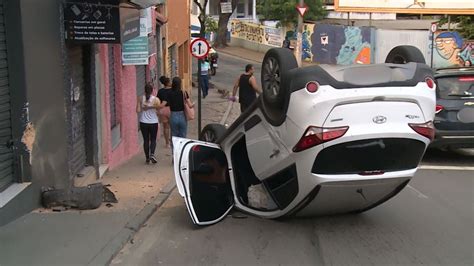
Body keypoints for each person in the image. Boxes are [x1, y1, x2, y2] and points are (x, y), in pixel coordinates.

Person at [136, 83, 165, 164]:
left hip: (143, 122)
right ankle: (152, 154)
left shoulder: (140, 98)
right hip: (153, 122)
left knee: (145, 140)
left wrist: (143, 107)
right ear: (152, 91)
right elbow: (159, 112)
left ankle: (147, 158)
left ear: (144, 90)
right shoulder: (156, 100)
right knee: (153, 139)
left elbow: (137, 111)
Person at [167, 77, 194, 143]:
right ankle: (182, 152)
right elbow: (190, 105)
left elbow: (167, 104)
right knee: (183, 137)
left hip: (173, 115)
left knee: (174, 137)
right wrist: (193, 104)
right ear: (180, 84)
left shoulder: (169, 93)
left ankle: (175, 153)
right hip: (182, 116)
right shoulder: (183, 93)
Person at [157, 76, 172, 148]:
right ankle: (173, 142)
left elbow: (157, 101)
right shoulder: (173, 90)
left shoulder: (160, 91)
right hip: (172, 109)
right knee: (173, 127)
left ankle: (167, 143)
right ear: (168, 83)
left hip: (163, 110)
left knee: (166, 127)